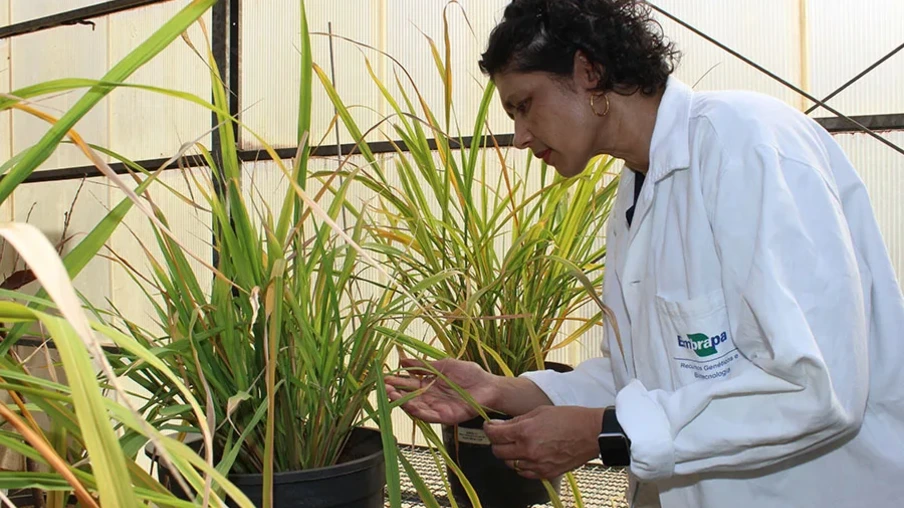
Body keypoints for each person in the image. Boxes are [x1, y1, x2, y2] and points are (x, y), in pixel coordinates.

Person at [384, 0, 904, 506]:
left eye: (525, 105)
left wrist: (605, 434)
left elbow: (816, 388)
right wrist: (502, 391)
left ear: (587, 72)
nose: (519, 136)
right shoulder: (636, 195)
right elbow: (646, 378)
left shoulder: (746, 145)